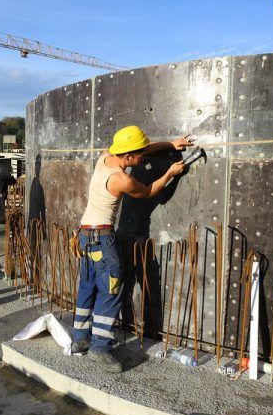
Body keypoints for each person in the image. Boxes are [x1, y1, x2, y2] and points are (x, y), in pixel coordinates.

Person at [71, 125, 193, 372]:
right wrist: (170, 172)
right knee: (111, 290)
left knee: (87, 286)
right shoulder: (121, 179)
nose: (142, 159)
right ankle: (100, 348)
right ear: (127, 156)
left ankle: (80, 339)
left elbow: (144, 149)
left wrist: (171, 144)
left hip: (84, 236)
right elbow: (148, 192)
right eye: (138, 156)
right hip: (103, 240)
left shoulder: (105, 157)